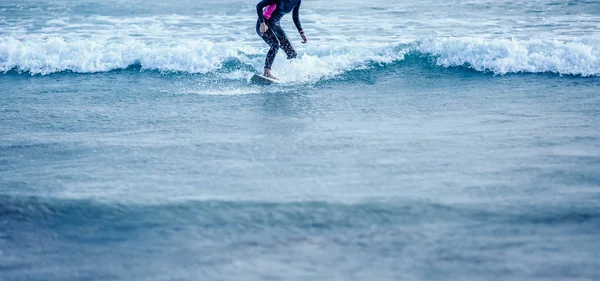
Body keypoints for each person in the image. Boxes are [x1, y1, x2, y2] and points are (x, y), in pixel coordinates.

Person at [256, 0, 307, 80]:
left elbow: (295, 16)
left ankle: (288, 74)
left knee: (292, 53)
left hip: (276, 26)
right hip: (264, 24)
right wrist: (262, 23)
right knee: (275, 44)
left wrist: (301, 32)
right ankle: (267, 71)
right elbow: (259, 6)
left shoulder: (297, 1)